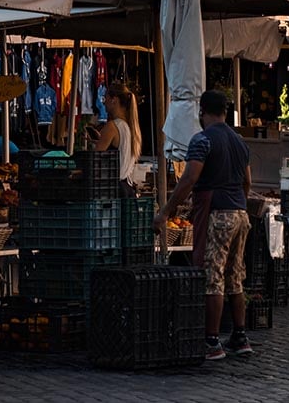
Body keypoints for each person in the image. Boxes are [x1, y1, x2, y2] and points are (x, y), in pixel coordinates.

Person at [152, 90, 252, 361]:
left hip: (217, 213)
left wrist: (166, 211)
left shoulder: (202, 140)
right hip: (240, 213)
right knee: (235, 275)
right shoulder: (240, 141)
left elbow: (190, 178)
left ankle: (211, 340)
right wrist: (238, 203)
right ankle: (240, 336)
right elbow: (247, 181)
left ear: (201, 111)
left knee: (213, 277)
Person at [92, 82, 143, 196]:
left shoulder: (112, 127)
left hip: (113, 190)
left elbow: (94, 160)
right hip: (127, 188)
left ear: (114, 100)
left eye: (105, 98)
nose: (104, 103)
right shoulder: (130, 127)